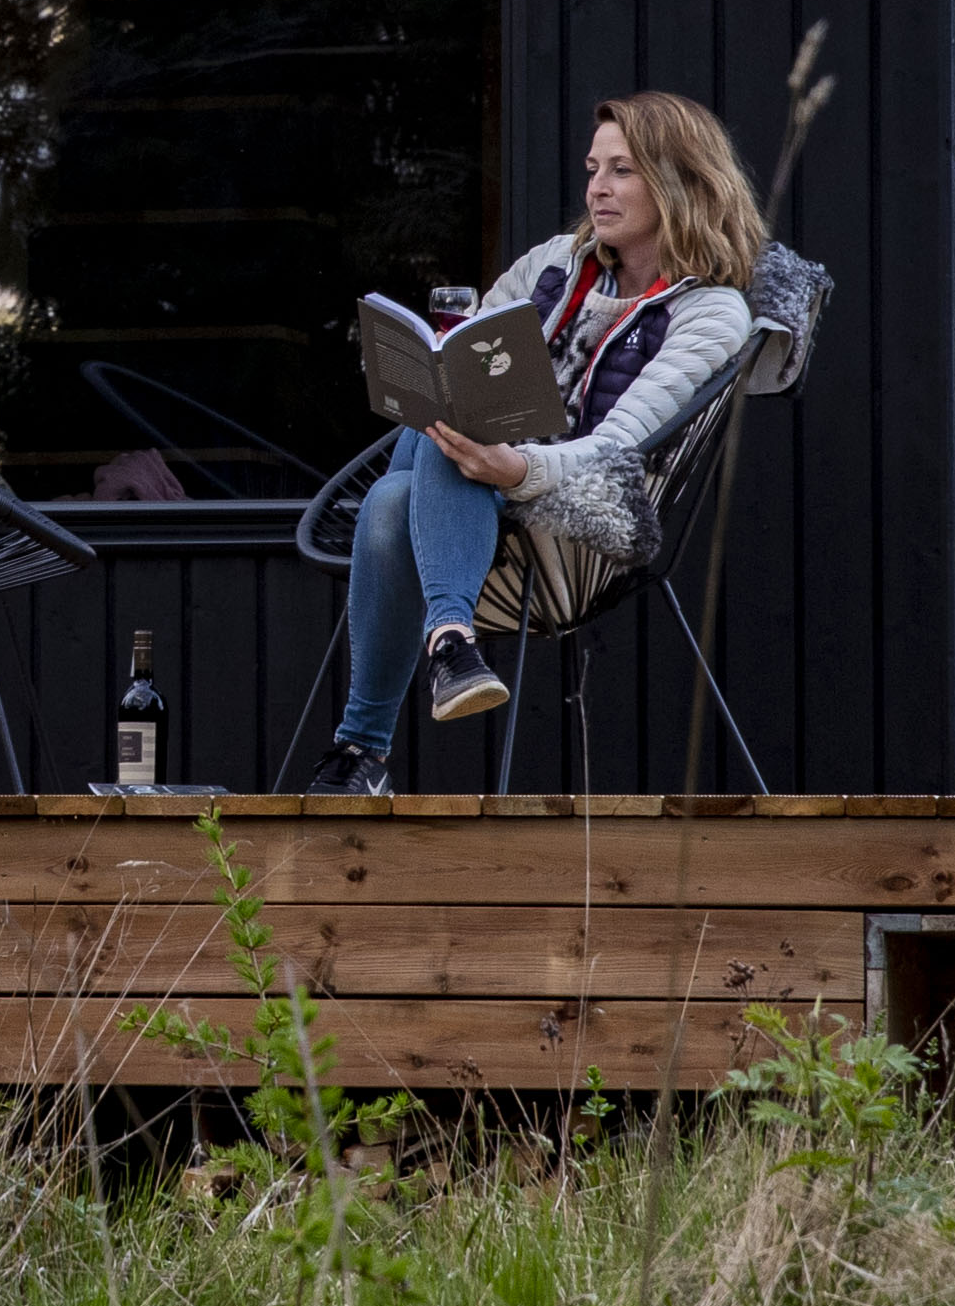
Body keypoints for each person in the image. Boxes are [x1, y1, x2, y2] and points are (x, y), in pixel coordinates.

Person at [320, 89, 768, 792]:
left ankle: (362, 751)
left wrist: (515, 467)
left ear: (680, 179)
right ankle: (452, 645)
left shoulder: (711, 313)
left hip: (574, 519)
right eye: (593, 168)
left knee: (393, 498)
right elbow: (462, 358)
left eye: (622, 170)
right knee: (437, 433)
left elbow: (620, 451)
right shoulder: (554, 263)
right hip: (472, 497)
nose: (597, 188)